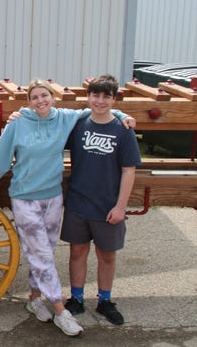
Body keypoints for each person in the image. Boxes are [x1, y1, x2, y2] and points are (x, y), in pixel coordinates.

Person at [0, 79, 134, 336]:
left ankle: (34, 298)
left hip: (52, 197)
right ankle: (61, 311)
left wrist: (123, 114)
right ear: (28, 102)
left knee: (44, 252)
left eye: (44, 96)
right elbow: (0, 155)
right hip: (25, 197)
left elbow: (98, 110)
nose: (40, 101)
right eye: (35, 97)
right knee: (41, 255)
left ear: (53, 98)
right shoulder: (18, 123)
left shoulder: (64, 117)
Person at [61, 74, 142, 326]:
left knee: (107, 255)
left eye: (106, 96)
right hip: (78, 201)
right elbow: (49, 126)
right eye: (95, 95)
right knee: (77, 251)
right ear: (88, 97)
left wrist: (120, 206)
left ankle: (105, 300)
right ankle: (76, 298)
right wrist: (18, 116)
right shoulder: (79, 123)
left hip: (108, 205)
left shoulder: (122, 129)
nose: (100, 101)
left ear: (114, 99)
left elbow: (129, 170)